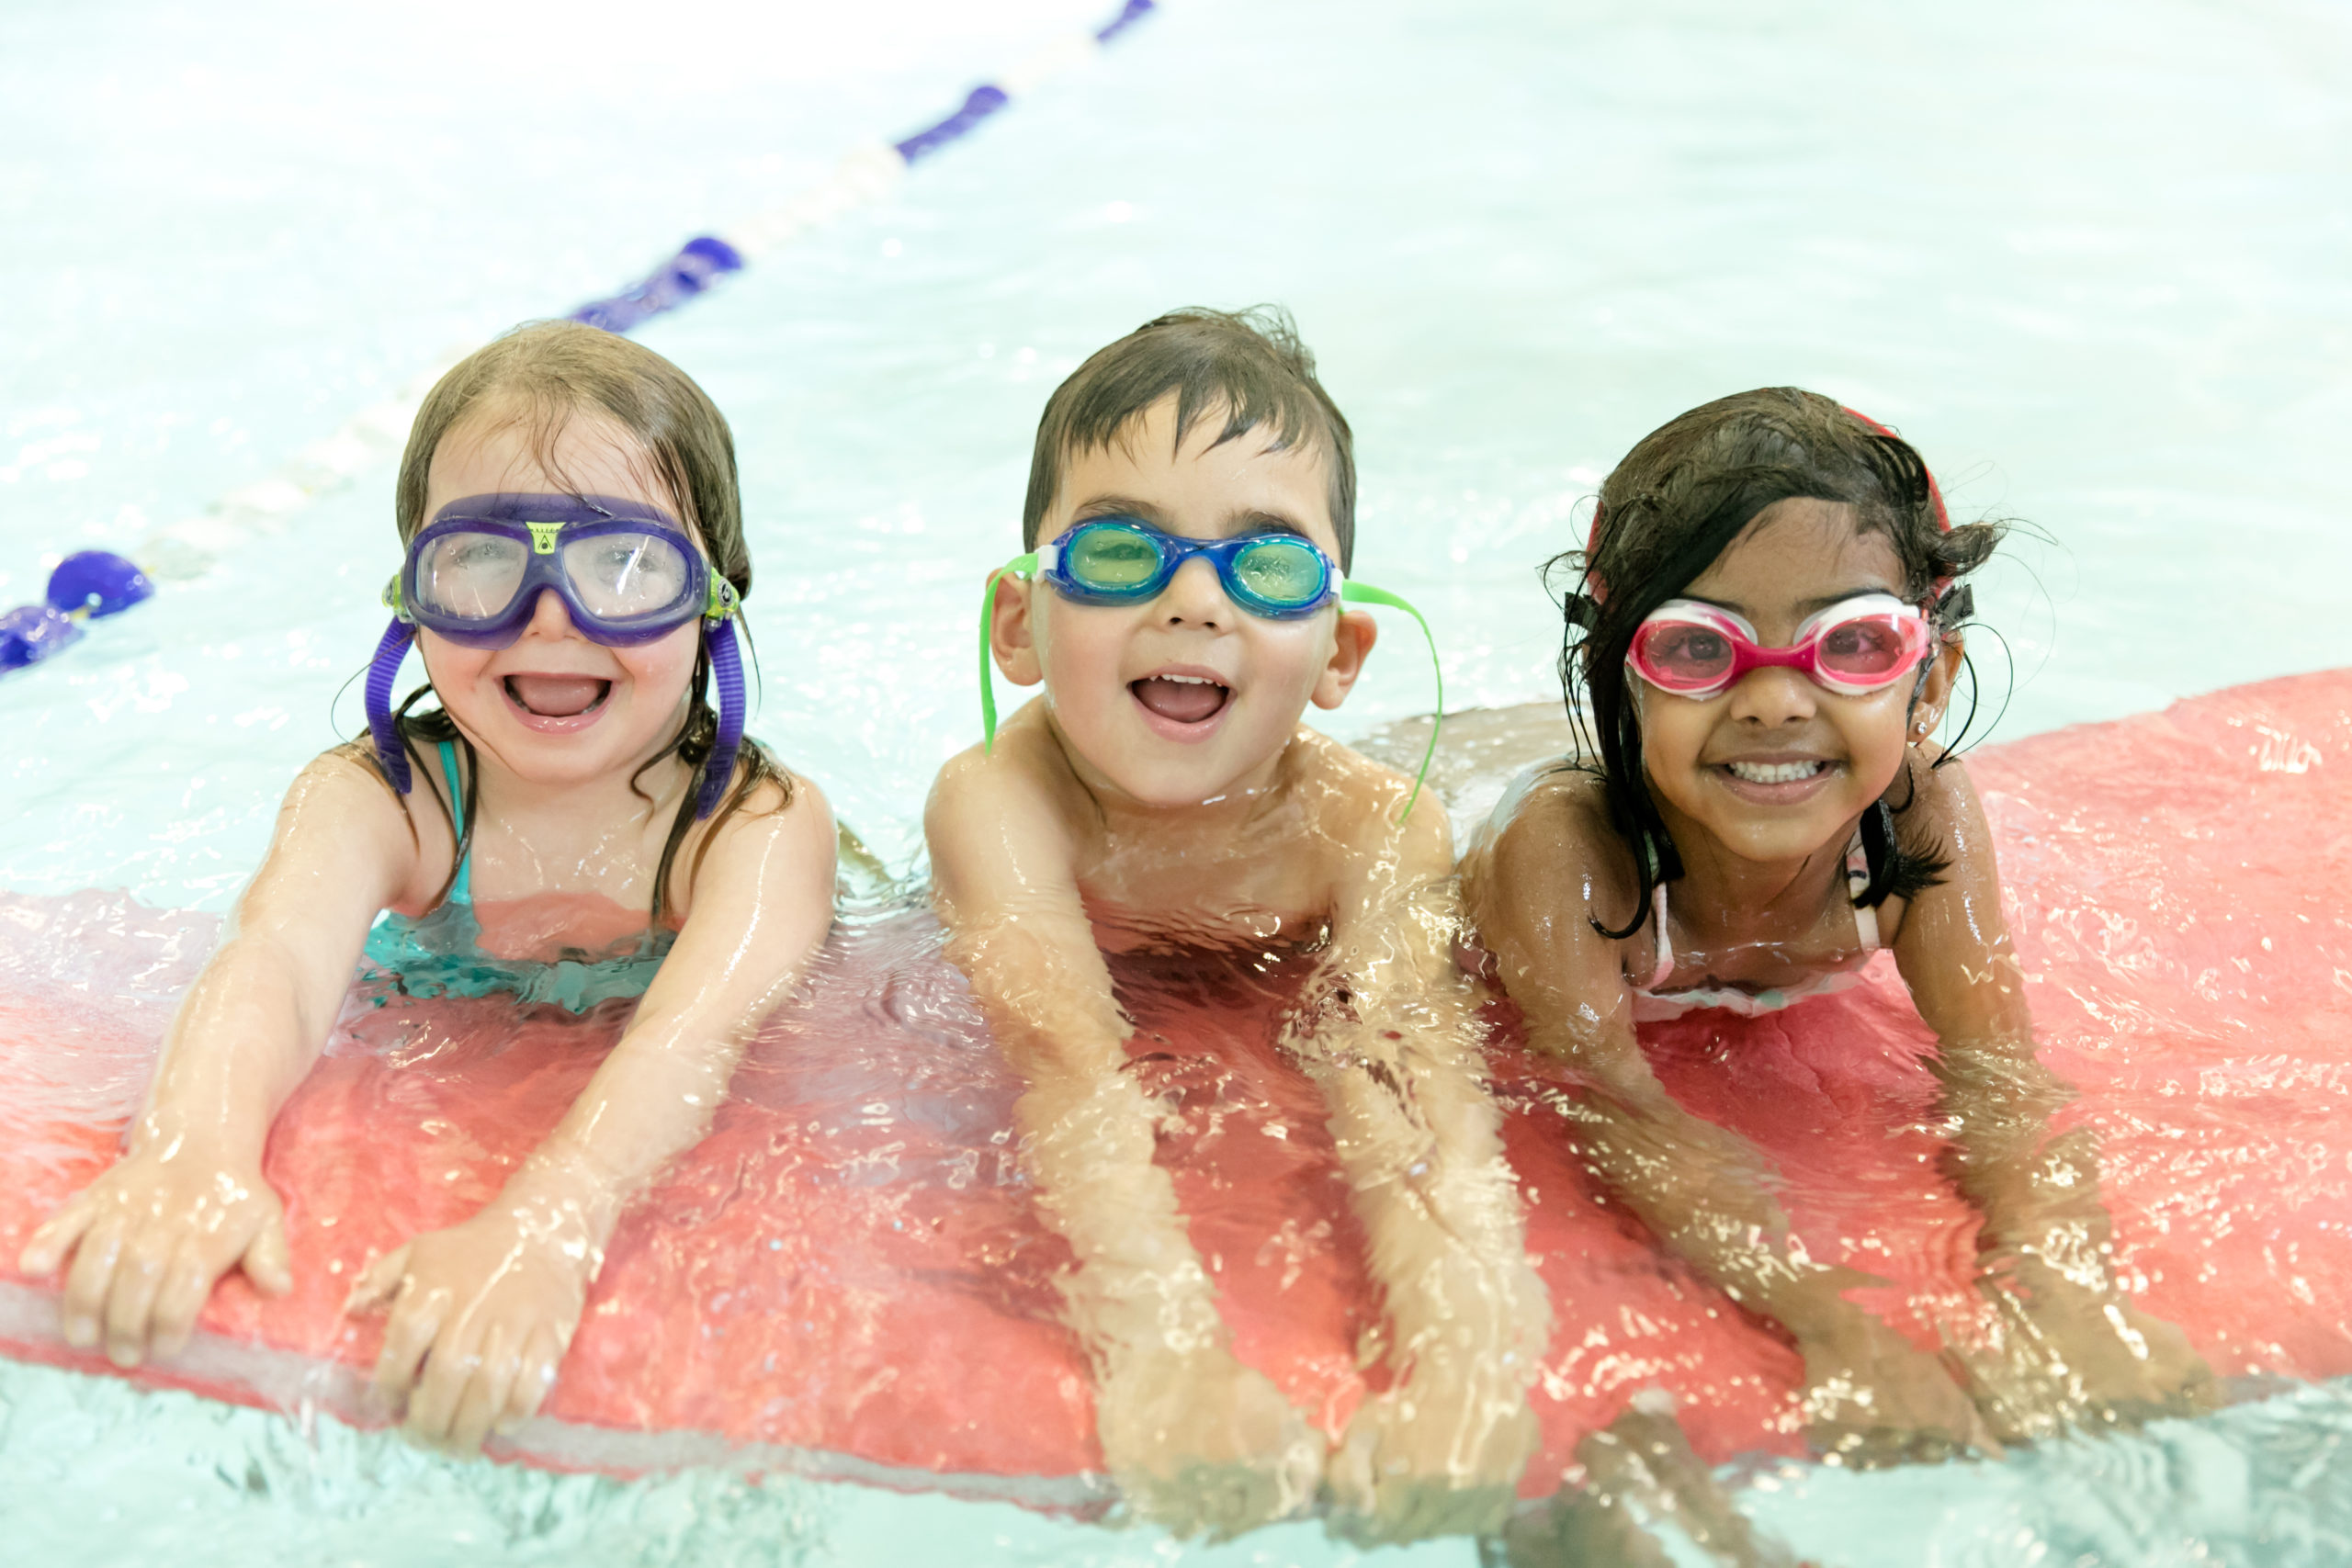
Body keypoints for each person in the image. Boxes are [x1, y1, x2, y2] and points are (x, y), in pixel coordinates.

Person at [17, 321, 837, 1454]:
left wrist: (552, 1225)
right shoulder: (387, 795)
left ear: (712, 603)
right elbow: (277, 962)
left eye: (626, 564)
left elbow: (688, 1043)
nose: (552, 613)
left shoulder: (749, 826)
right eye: (485, 559)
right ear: (415, 598)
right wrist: (192, 1151)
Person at [1460, 388, 2211, 1465]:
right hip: (1481, 787)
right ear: (1618, 681)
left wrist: (2066, 1296)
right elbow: (1613, 1110)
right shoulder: (1566, 854)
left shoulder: (1919, 814)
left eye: (1851, 644)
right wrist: (1832, 1324)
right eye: (1696, 648)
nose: (1774, 700)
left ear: (1930, 679)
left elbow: (1997, 1076)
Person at [924, 308, 1549, 1540]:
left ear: (1339, 650)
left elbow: (1407, 1081)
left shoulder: (1375, 827)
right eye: (1118, 553)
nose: (1194, 601)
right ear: (1018, 623)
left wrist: (1470, 1366)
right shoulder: (997, 803)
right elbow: (1066, 1059)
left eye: (1263, 566)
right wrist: (1164, 1355)